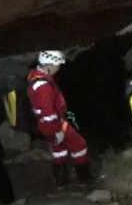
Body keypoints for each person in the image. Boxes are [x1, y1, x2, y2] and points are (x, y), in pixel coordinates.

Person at [27, 50, 93, 186]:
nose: (58, 69)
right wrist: (56, 130)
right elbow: (48, 112)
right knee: (79, 144)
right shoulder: (43, 85)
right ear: (48, 65)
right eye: (57, 65)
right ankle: (84, 178)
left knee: (59, 149)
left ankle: (61, 180)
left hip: (46, 123)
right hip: (52, 123)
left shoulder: (38, 77)